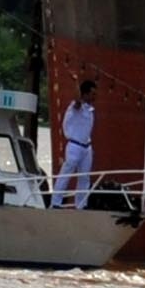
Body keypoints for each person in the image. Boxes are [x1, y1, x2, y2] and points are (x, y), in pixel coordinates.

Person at [57, 78, 96, 208]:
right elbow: (77, 100)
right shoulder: (76, 107)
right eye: (92, 93)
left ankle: (81, 205)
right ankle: (55, 202)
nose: (94, 96)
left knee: (84, 177)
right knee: (66, 174)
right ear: (85, 94)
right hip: (75, 145)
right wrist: (75, 82)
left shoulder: (90, 109)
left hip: (86, 147)